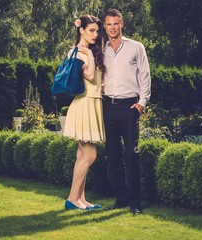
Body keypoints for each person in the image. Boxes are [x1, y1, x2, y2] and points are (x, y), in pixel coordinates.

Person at [102, 9, 151, 215]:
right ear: (105, 27)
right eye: (109, 24)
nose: (112, 28)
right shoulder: (101, 50)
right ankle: (120, 199)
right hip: (108, 106)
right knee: (113, 156)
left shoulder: (136, 47)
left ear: (121, 24)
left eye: (116, 24)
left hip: (130, 107)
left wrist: (142, 102)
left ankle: (135, 203)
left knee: (131, 155)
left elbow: (145, 74)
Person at [63, 15, 106, 210]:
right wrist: (89, 56)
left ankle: (80, 199)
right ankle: (72, 199)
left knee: (82, 156)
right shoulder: (78, 52)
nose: (95, 34)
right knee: (90, 156)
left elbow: (99, 81)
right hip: (85, 104)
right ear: (81, 30)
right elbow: (89, 76)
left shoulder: (89, 51)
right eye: (91, 31)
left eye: (97, 31)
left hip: (92, 102)